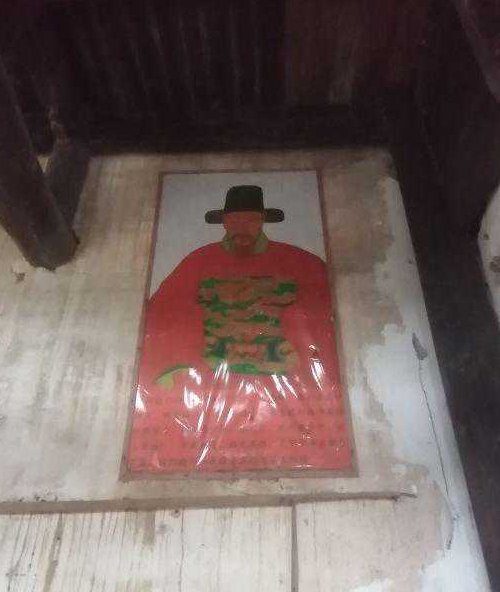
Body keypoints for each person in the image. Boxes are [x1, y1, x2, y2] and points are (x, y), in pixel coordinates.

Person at [128, 185, 351, 474]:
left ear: (262, 221)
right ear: (224, 222)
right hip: (210, 387)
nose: (241, 227)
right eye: (234, 220)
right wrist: (172, 371)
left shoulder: (302, 263)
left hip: (290, 395)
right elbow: (160, 319)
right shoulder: (197, 263)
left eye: (250, 220)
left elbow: (337, 322)